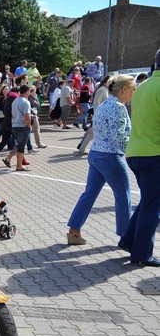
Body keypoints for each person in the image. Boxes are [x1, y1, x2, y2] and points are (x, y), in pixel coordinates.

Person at [66, 75, 136, 246]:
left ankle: (74, 231)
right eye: (133, 89)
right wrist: (134, 150)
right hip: (111, 156)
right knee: (123, 196)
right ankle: (126, 236)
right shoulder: (118, 107)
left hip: (96, 154)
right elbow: (119, 136)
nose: (134, 92)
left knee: (89, 194)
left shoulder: (105, 104)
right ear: (124, 90)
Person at [118, 50, 160, 267]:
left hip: (136, 152)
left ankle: (128, 241)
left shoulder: (143, 86)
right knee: (153, 206)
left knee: (148, 201)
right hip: (154, 154)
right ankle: (142, 254)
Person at [1, 85, 33, 171]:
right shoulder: (26, 102)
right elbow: (27, 116)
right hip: (22, 126)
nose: (29, 93)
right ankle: (19, 165)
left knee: (19, 144)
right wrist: (29, 126)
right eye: (29, 91)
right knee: (21, 146)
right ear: (26, 92)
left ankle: (8, 158)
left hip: (14, 125)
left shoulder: (15, 101)